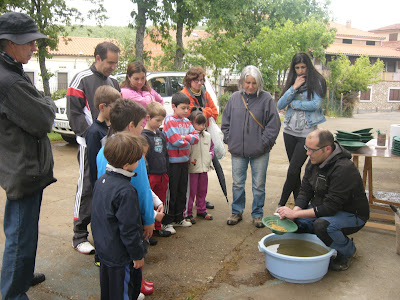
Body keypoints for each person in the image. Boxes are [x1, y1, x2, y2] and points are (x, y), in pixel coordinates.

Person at [0, 12, 57, 299]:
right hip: (22, 169)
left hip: (23, 165)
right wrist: (45, 103)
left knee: (24, 232)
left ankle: (22, 274)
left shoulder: (12, 72)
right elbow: (45, 118)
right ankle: (13, 293)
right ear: (10, 43)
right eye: (30, 42)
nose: (35, 47)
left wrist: (42, 103)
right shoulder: (8, 81)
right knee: (20, 237)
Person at [277, 129, 370, 271]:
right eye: (306, 148)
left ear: (327, 149)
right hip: (323, 207)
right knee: (297, 224)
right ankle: (321, 244)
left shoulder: (344, 169)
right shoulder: (314, 160)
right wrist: (295, 212)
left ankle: (347, 250)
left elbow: (329, 208)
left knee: (322, 226)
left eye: (311, 150)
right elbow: (305, 191)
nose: (307, 153)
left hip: (352, 214)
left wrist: (295, 214)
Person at [96, 99, 156, 296]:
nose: (142, 128)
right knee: (129, 273)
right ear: (131, 126)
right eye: (141, 125)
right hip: (128, 228)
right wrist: (149, 219)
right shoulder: (132, 155)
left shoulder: (105, 150)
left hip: (106, 239)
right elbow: (143, 189)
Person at [67, 41, 120, 255]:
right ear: (98, 58)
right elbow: (74, 113)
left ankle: (104, 231)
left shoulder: (114, 83)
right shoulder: (81, 79)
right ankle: (79, 235)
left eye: (116, 63)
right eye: (110, 62)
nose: (113, 67)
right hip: (89, 143)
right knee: (87, 185)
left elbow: (119, 112)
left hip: (111, 143)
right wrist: (91, 135)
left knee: (108, 186)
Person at [221, 65, 281, 228]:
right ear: (242, 81)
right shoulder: (234, 98)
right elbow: (225, 121)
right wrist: (229, 138)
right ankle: (236, 211)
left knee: (258, 184)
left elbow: (274, 125)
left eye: (254, 83)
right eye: (247, 82)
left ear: (259, 83)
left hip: (260, 151)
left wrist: (263, 143)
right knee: (238, 183)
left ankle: (257, 214)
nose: (250, 86)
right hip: (238, 150)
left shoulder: (267, 99)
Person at [91, 132, 145, 300]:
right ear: (127, 165)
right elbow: (129, 228)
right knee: (123, 292)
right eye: (137, 160)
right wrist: (137, 254)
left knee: (108, 290)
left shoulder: (101, 181)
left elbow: (97, 217)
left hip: (105, 250)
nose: (139, 162)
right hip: (121, 257)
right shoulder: (126, 191)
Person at [277, 52, 327, 209]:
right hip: (289, 131)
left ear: (308, 66)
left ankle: (281, 204)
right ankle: (300, 206)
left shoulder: (317, 81)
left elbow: (316, 104)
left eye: (303, 67)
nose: (300, 71)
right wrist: (294, 87)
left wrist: (294, 105)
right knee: (295, 171)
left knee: (293, 169)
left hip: (307, 135)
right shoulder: (294, 81)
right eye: (297, 67)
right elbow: (280, 104)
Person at [181, 66, 218, 210]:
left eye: (201, 80)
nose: (199, 83)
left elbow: (214, 112)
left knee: (203, 172)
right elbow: (186, 114)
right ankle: (188, 206)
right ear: (189, 80)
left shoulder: (205, 94)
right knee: (192, 175)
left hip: (204, 135)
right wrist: (201, 112)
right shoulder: (184, 94)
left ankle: (201, 202)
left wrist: (201, 111)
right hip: (190, 135)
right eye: (196, 80)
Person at [162, 92, 199, 234]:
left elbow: (196, 138)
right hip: (172, 162)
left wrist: (184, 137)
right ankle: (167, 221)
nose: (185, 111)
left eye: (187, 108)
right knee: (171, 191)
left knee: (182, 190)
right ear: (173, 106)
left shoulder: (187, 121)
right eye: (183, 108)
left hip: (184, 161)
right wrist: (186, 138)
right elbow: (175, 141)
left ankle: (179, 217)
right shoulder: (169, 120)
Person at [141, 101, 171, 237]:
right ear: (148, 118)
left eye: (161, 120)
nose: (160, 123)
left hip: (162, 173)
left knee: (161, 201)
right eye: (157, 120)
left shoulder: (161, 134)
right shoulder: (143, 136)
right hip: (150, 174)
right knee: (149, 201)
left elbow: (165, 152)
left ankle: (158, 227)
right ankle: (149, 230)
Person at [87, 85, 121, 189]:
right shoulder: (94, 132)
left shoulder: (113, 127)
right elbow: (93, 165)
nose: (117, 111)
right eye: (114, 107)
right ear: (102, 107)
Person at [184, 109, 214, 224]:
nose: (201, 126)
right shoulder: (189, 136)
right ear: (191, 122)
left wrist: (210, 155)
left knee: (202, 190)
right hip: (192, 169)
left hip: (204, 168)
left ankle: (202, 210)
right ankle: (188, 213)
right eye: (198, 123)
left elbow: (211, 148)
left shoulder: (207, 135)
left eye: (203, 124)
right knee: (191, 192)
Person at [121, 61, 163, 126]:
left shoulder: (147, 89)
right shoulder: (125, 92)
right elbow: (146, 103)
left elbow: (160, 100)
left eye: (143, 78)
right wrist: (147, 93)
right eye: (136, 79)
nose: (140, 82)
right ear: (129, 77)